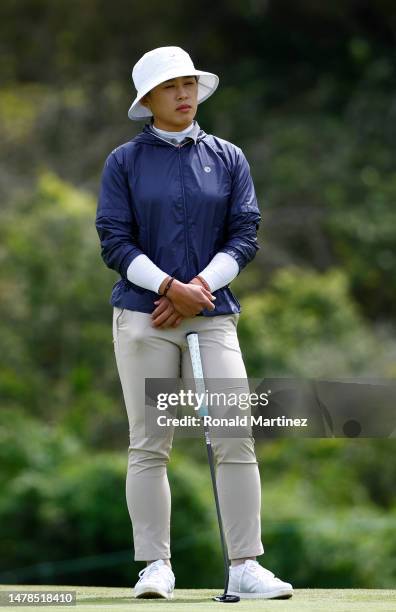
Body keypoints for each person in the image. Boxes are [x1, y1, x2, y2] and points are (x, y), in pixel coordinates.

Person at [96, 46, 293, 600]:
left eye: (189, 83)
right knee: (150, 444)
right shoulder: (124, 162)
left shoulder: (228, 157)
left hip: (210, 315)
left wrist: (195, 290)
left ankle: (245, 567)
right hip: (144, 316)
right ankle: (155, 566)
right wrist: (167, 287)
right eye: (170, 87)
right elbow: (114, 238)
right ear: (148, 100)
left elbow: (245, 233)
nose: (184, 94)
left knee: (233, 434)